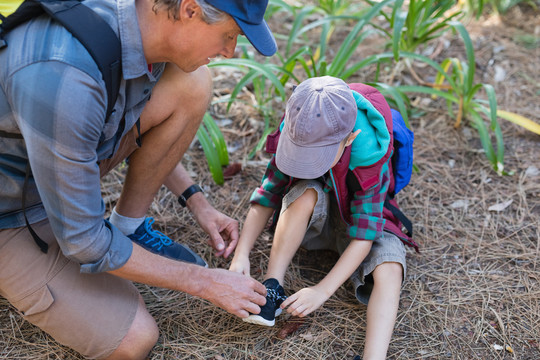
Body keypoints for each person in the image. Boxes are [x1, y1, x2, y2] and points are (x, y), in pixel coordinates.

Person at [0, 0, 277, 358]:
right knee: (133, 340)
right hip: (11, 212)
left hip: (51, 167)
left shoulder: (135, 25)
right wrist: (204, 282)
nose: (230, 50)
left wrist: (198, 202)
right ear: (190, 10)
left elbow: (113, 121)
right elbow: (83, 241)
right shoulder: (66, 74)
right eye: (228, 35)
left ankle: (128, 228)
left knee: (190, 83)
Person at [230, 76, 418, 359]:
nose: (305, 161)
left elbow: (364, 236)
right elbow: (268, 192)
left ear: (350, 138)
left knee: (391, 268)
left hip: (358, 222)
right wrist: (241, 253)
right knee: (306, 192)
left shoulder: (370, 150)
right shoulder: (298, 125)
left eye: (317, 156)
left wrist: (321, 291)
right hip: (314, 217)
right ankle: (272, 287)